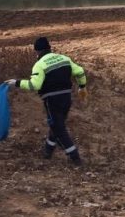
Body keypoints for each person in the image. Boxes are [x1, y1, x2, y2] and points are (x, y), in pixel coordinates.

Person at [6, 37, 87, 166]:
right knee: (56, 125)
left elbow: (35, 85)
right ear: (49, 48)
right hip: (67, 97)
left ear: (37, 51)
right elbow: (80, 71)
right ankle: (48, 151)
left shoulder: (39, 65)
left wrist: (16, 83)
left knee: (59, 128)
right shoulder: (64, 58)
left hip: (52, 100)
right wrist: (82, 87)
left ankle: (75, 157)